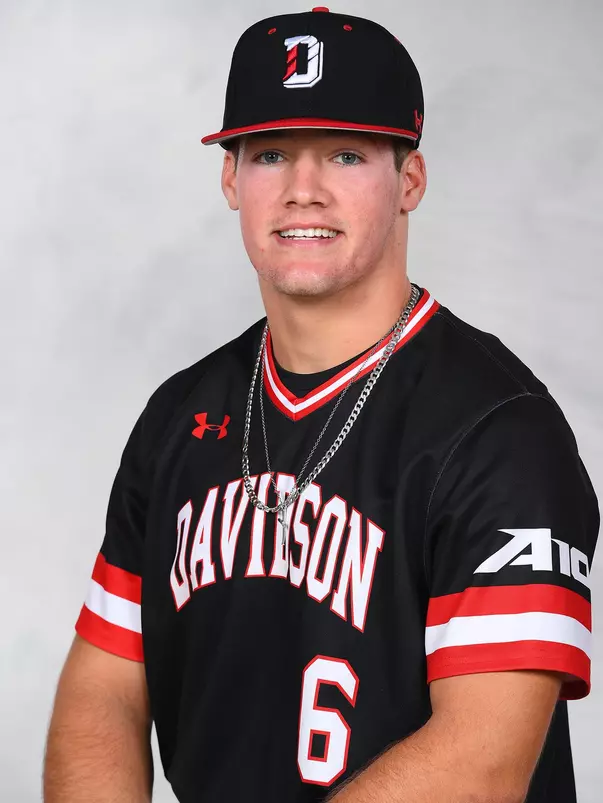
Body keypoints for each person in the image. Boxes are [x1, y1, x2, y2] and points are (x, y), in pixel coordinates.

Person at [43, 7, 599, 803]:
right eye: (270, 154)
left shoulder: (501, 432)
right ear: (232, 179)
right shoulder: (179, 417)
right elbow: (103, 688)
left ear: (408, 180)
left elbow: (480, 763)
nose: (303, 190)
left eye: (345, 153)